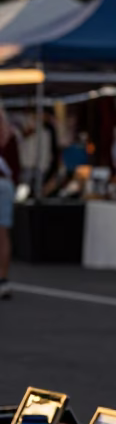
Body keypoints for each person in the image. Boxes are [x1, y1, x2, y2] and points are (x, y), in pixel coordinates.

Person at [0, 106, 21, 300]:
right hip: (5, 185)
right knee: (3, 233)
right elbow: (16, 168)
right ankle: (3, 278)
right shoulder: (11, 135)